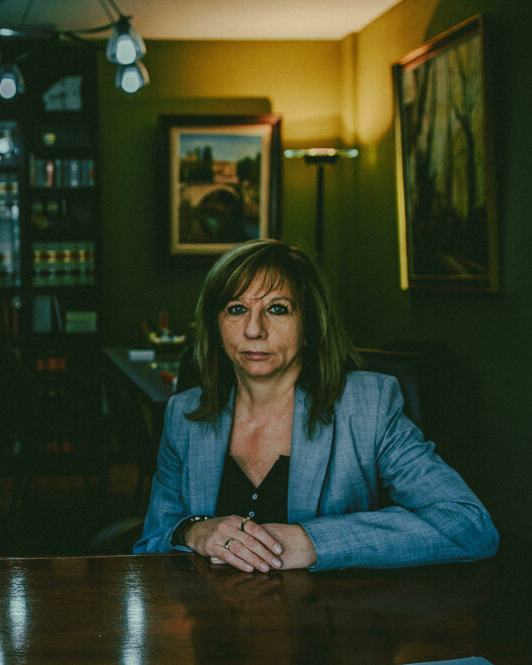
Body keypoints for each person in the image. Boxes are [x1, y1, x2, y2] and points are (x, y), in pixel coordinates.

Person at [133, 239, 498, 571]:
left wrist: (313, 541)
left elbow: (469, 525)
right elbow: (150, 545)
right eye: (236, 309)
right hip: (213, 619)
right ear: (216, 326)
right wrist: (192, 531)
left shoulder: (368, 406)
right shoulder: (184, 416)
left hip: (328, 618)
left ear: (309, 326)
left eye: (278, 309)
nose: (254, 329)